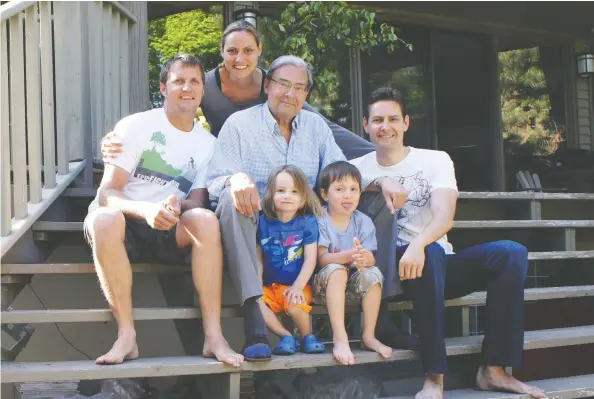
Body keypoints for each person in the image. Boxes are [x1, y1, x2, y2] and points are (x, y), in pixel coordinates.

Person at [350, 87, 546, 399]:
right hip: (386, 270)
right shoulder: (357, 168)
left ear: (406, 123)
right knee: (431, 253)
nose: (384, 125)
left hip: (433, 261)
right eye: (377, 120)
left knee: (511, 253)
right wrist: (379, 181)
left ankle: (493, 370)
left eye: (392, 118)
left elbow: (444, 216)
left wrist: (418, 244)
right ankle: (434, 378)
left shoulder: (435, 160)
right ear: (365, 124)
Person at [83, 53, 243, 368]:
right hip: (124, 223)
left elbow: (197, 200)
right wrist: (146, 210)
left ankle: (213, 336)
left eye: (194, 81)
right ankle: (126, 335)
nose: (187, 87)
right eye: (179, 80)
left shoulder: (209, 144)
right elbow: (107, 193)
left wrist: (176, 205)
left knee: (205, 220)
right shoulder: (137, 126)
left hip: (168, 226)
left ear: (202, 90)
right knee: (104, 218)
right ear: (163, 87)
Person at [207, 55, 346, 361]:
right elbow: (214, 182)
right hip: (255, 226)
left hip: (302, 229)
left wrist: (380, 180)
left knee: (370, 198)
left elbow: (339, 171)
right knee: (231, 199)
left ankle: (381, 319)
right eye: (283, 84)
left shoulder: (316, 126)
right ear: (267, 85)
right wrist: (236, 179)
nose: (290, 94)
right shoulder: (239, 125)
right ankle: (255, 326)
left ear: (306, 94)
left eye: (299, 87)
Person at [100, 20, 374, 162]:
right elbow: (171, 113)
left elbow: (331, 132)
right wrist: (122, 137)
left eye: (248, 51)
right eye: (232, 51)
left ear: (260, 52)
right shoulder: (204, 86)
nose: (239, 58)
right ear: (222, 52)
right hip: (230, 161)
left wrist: (379, 155)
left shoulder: (275, 88)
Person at [312, 161, 392, 366]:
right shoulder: (320, 219)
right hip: (324, 286)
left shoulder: (363, 221)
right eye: (339, 189)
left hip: (353, 285)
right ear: (324, 194)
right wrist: (347, 255)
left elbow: (371, 256)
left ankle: (368, 335)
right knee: (337, 270)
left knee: (373, 273)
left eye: (353, 189)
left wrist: (364, 258)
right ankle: (340, 337)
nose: (347, 195)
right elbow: (321, 259)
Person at [256, 165, 326, 357]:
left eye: (294, 192)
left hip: (298, 284)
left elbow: (311, 260)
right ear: (270, 194)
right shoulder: (262, 222)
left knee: (295, 306)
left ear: (303, 198)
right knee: (256, 302)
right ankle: (286, 336)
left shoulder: (307, 223)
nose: (287, 196)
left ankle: (307, 336)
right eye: (281, 190)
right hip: (270, 287)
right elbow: (259, 257)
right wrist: (256, 282)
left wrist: (297, 286)